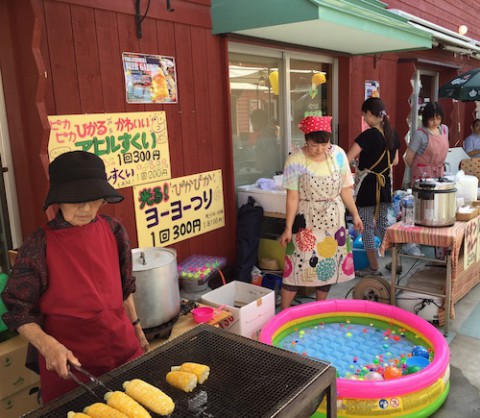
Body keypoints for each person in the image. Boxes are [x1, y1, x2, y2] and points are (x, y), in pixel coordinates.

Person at [1, 151, 149, 403]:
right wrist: (47, 346)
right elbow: (18, 309)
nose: (87, 209)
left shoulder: (114, 230)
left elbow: (125, 288)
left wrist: (137, 328)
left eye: (94, 200)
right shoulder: (38, 245)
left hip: (123, 349)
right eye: (76, 200)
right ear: (59, 200)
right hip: (70, 366)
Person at [279, 116, 363, 309]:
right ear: (306, 140)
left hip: (333, 221)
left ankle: (319, 309)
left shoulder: (339, 155)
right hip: (305, 221)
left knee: (327, 266)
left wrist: (355, 214)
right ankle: (284, 312)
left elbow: (345, 190)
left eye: (324, 144)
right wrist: (287, 228)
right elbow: (292, 197)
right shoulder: (295, 160)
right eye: (314, 145)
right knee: (296, 267)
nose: (319, 149)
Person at [347, 97, 399, 276]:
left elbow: (345, 159)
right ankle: (395, 262)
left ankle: (373, 267)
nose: (364, 119)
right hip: (384, 184)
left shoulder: (368, 135)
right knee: (384, 224)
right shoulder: (392, 133)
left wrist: (360, 164)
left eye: (364, 115)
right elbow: (396, 161)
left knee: (367, 226)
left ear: (370, 113)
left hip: (368, 186)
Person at [405, 101, 449, 182]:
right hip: (422, 175)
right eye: (432, 119)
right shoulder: (419, 134)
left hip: (439, 174)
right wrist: (418, 168)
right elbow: (408, 158)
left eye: (438, 118)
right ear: (426, 119)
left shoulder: (444, 130)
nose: (435, 122)